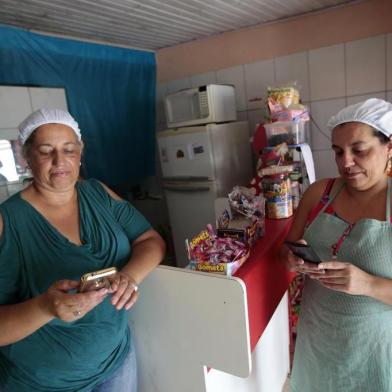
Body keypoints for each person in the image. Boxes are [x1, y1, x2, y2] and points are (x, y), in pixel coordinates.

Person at [0, 108, 166, 391]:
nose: (59, 161)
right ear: (26, 157)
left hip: (115, 363)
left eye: (68, 149)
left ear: (81, 151)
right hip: (43, 383)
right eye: (45, 151)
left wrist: (130, 276)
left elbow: (151, 240)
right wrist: (45, 306)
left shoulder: (98, 193)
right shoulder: (8, 222)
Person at [279, 98, 392, 392]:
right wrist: (292, 261)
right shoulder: (320, 193)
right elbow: (287, 249)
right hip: (317, 342)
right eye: (338, 151)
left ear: (389, 147)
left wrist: (368, 284)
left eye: (359, 150)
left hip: (372, 350)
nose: (346, 162)